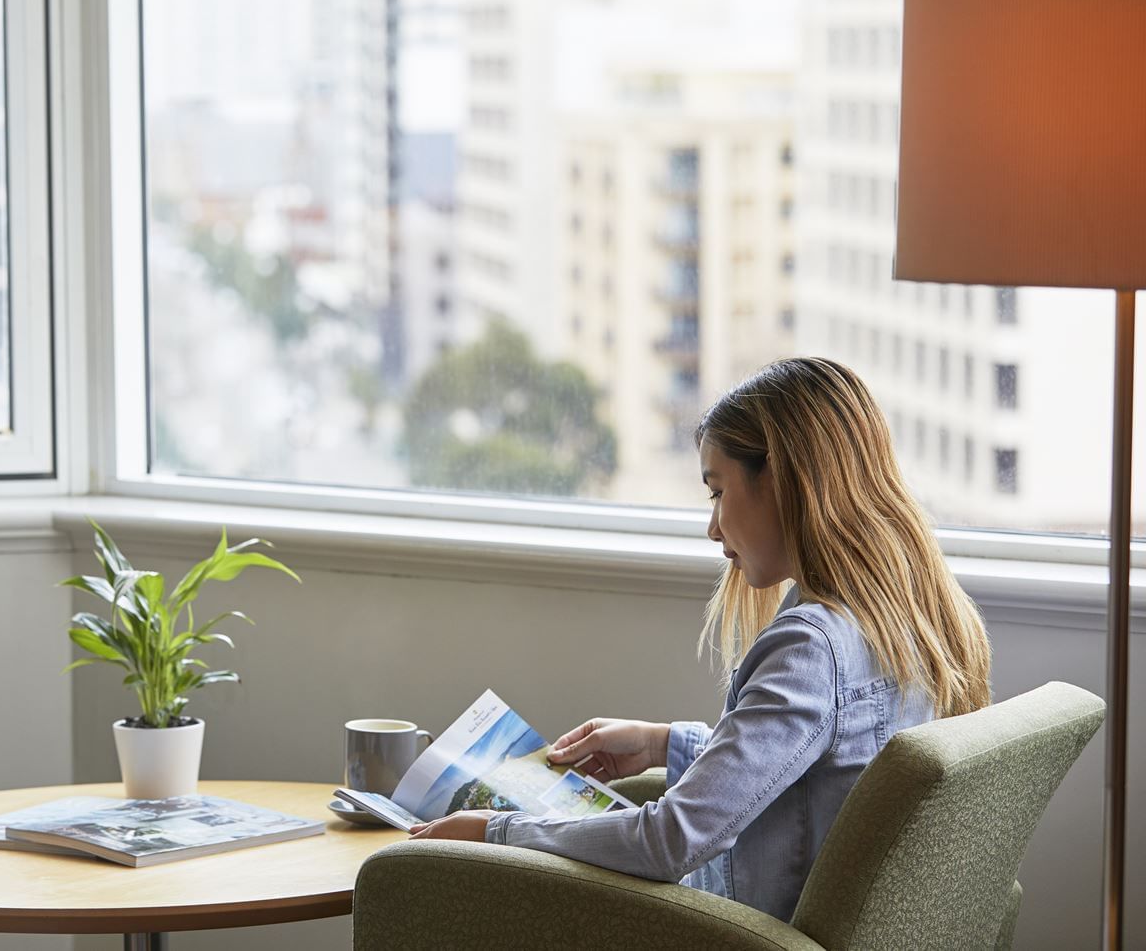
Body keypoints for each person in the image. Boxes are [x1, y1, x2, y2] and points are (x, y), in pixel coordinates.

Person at [409, 356, 993, 923]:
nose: (713, 525)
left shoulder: (811, 646)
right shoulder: (907, 618)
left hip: (728, 934)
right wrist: (664, 742)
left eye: (717, 491)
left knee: (431, 881)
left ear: (786, 483)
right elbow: (819, 764)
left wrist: (495, 831)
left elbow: (671, 842)